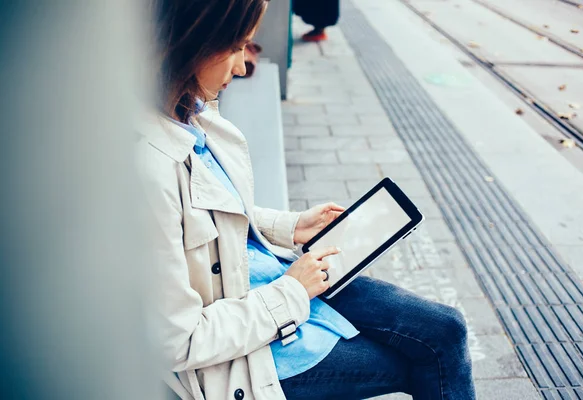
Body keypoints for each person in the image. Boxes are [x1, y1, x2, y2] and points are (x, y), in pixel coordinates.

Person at [141, 1, 476, 399]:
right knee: (426, 359)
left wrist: (290, 226)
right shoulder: (147, 169)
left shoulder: (188, 110)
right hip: (246, 345)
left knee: (447, 328)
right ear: (192, 40)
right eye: (235, 47)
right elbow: (177, 341)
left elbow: (202, 216)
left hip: (272, 277)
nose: (243, 67)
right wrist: (292, 292)